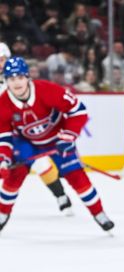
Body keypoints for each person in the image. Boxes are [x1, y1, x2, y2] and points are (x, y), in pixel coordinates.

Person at [0, 57, 114, 233]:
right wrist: (3, 159)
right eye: (12, 79)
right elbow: (4, 136)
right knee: (14, 175)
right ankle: (2, 214)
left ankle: (99, 213)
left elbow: (79, 111)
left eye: (20, 77)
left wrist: (68, 137)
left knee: (76, 175)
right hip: (26, 142)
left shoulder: (47, 90)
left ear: (28, 78)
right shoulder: (3, 103)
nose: (17, 83)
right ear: (6, 81)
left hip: (56, 139)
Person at [1, 44, 73, 215]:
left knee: (40, 164)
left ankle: (61, 195)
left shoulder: (17, 79)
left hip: (21, 133)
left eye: (2, 59)